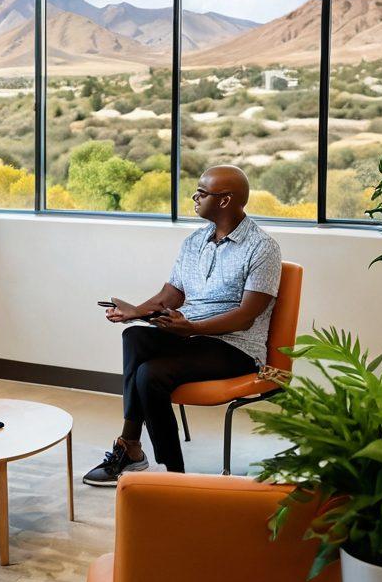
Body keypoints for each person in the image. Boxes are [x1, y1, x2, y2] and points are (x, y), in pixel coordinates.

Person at [83, 165, 282, 486]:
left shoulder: (262, 248)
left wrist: (192, 328)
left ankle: (172, 474)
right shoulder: (195, 241)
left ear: (224, 200)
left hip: (236, 348)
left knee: (150, 374)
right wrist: (135, 311)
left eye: (202, 193)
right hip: (192, 337)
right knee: (134, 336)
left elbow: (247, 316)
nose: (194, 197)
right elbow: (172, 294)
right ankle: (131, 447)